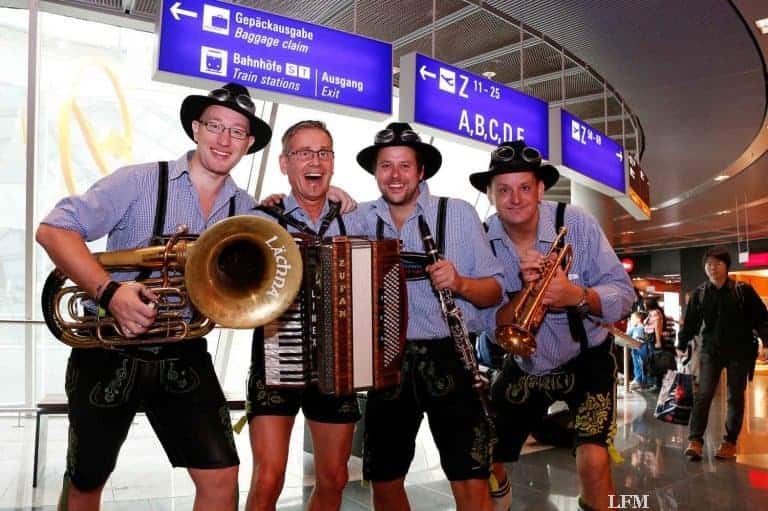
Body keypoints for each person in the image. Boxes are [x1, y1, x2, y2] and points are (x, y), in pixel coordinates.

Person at [36, 82, 272, 511]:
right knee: (87, 479)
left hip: (183, 350)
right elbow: (53, 230)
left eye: (237, 132)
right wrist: (110, 292)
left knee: (222, 475)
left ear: (249, 143)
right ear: (196, 129)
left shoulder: (248, 211)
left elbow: (281, 254)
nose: (224, 139)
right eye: (215, 126)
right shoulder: (140, 180)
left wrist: (331, 195)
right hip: (107, 347)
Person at [470, 140, 635, 511]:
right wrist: (524, 289)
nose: (515, 198)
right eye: (504, 189)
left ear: (541, 189)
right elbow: (484, 322)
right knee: (482, 455)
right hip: (527, 363)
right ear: (490, 194)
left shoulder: (575, 221)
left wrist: (576, 294)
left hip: (587, 357)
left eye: (525, 187)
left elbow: (623, 294)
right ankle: (503, 493)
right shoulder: (482, 238)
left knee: (594, 461)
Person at [355, 122, 504, 511]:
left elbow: (494, 291)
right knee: (384, 481)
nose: (395, 175)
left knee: (470, 480)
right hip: (386, 362)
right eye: (386, 165)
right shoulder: (358, 219)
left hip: (450, 357)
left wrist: (459, 282)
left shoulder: (458, 214)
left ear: (421, 171)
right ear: (376, 172)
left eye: (405, 165)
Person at [244, 120, 365, 511]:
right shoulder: (263, 219)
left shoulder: (355, 219)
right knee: (267, 477)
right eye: (303, 153)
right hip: (277, 355)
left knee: (334, 478)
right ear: (284, 163)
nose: (315, 160)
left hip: (337, 365)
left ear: (332, 162)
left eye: (323, 153)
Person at [676, 246, 768, 461]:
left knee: (735, 397)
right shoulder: (700, 293)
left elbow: (762, 319)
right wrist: (682, 343)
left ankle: (730, 442)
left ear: (727, 266)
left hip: (740, 352)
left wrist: (766, 342)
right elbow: (690, 323)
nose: (712, 268)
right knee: (703, 395)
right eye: (709, 264)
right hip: (711, 351)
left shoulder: (742, 290)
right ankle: (695, 441)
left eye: (717, 263)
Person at [627, 311, 650, 390]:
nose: (631, 320)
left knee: (640, 364)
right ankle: (641, 380)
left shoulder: (637, 327)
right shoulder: (642, 327)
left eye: (633, 319)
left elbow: (627, 334)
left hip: (641, 347)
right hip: (637, 347)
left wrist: (630, 326)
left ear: (638, 319)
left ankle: (640, 380)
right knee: (639, 364)